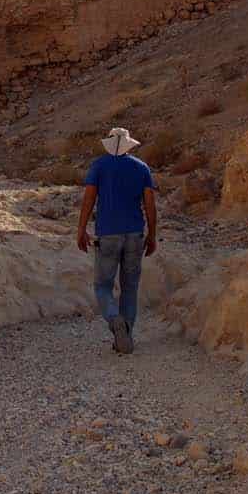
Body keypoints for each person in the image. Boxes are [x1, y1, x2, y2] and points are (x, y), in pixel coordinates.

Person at [75, 126, 158, 354]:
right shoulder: (141, 168)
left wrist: (81, 230)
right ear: (129, 144)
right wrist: (152, 234)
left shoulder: (99, 166)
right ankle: (127, 336)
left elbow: (89, 200)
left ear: (109, 143)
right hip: (135, 234)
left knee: (103, 286)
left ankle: (114, 320)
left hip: (108, 233)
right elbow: (149, 205)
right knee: (130, 287)